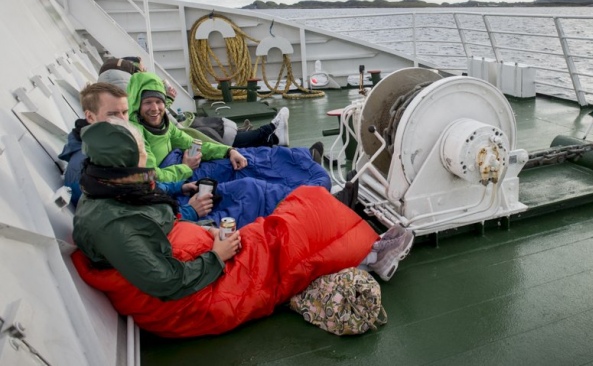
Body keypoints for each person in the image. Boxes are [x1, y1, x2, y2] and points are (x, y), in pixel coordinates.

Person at [71, 119, 414, 337]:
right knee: (288, 242)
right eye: (142, 151)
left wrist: (206, 234)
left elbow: (154, 241)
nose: (148, 154)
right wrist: (217, 255)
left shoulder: (109, 190)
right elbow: (167, 282)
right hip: (195, 297)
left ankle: (364, 246)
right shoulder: (113, 223)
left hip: (198, 259)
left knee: (299, 212)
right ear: (125, 161)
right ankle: (370, 255)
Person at [127, 71, 330, 227]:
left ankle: (303, 160)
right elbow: (153, 177)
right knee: (248, 185)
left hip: (184, 169)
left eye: (158, 102)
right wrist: (186, 168)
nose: (154, 108)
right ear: (137, 104)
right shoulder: (136, 134)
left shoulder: (164, 124)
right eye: (148, 103)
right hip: (181, 179)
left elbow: (190, 142)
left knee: (247, 158)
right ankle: (311, 195)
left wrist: (228, 151)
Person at [58, 82, 211, 220]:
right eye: (112, 114)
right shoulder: (88, 165)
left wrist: (178, 186)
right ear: (90, 117)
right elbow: (126, 216)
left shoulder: (114, 146)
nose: (122, 121)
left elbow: (139, 180)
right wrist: (190, 211)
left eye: (124, 112)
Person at [97, 56, 289, 147]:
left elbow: (149, 116)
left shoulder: (123, 98)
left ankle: (269, 135)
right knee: (211, 133)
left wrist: (167, 100)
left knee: (211, 126)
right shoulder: (127, 101)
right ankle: (269, 133)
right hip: (179, 144)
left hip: (176, 134)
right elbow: (150, 124)